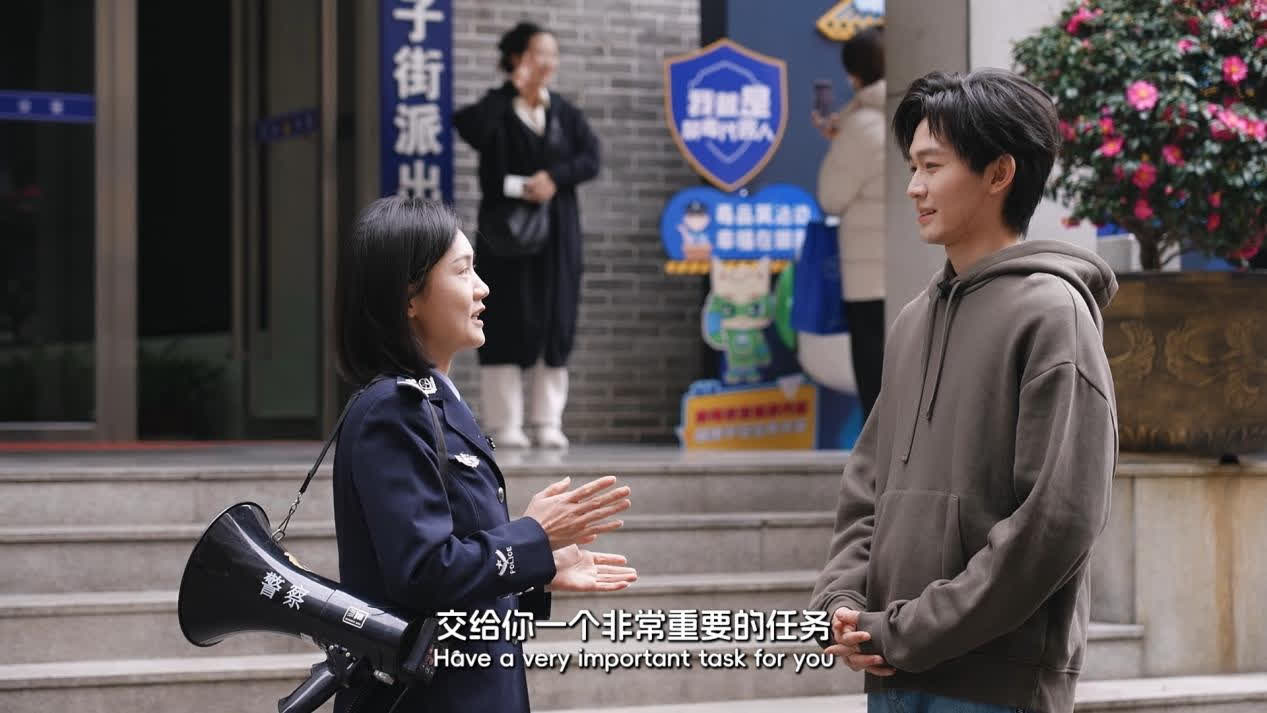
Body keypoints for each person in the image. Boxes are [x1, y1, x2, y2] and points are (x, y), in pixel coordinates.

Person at [809, 69, 1119, 713]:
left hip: (996, 685)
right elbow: (866, 490)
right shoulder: (913, 320)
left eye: (932, 166)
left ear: (999, 173)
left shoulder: (1053, 315)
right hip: (892, 671)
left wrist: (911, 631)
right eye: (912, 167)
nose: (914, 186)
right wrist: (841, 602)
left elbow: (1054, 524)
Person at [332, 196, 636, 713]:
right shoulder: (393, 410)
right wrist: (533, 537)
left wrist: (538, 567)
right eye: (462, 270)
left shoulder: (434, 400)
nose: (482, 288)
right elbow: (423, 573)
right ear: (409, 296)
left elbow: (453, 580)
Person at [454, 21, 600, 449]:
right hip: (505, 236)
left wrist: (555, 177)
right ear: (517, 58)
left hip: (556, 235)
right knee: (503, 319)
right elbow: (470, 127)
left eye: (553, 54)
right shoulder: (497, 108)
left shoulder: (565, 113)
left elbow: (591, 157)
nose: (548, 62)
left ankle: (547, 421)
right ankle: (505, 424)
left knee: (555, 320)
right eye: (539, 53)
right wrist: (509, 92)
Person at [813, 27, 887, 423]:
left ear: (853, 74)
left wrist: (840, 136)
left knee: (871, 358)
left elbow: (831, 196)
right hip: (913, 263)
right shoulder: (913, 114)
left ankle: (876, 449)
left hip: (868, 271)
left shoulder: (861, 127)